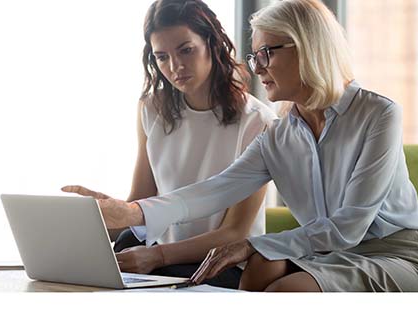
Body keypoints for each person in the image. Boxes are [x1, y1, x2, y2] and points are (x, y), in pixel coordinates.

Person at [81, 0, 418, 292]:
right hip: (325, 253)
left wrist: (254, 244)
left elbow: (349, 226)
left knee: (285, 289)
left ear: (308, 47)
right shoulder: (279, 135)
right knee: (259, 271)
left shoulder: (378, 113)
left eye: (267, 53)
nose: (258, 68)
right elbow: (212, 191)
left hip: (397, 254)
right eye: (255, 56)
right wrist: (133, 214)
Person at [62, 0, 276, 289]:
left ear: (212, 43)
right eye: (161, 57)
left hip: (217, 266)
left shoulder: (257, 120)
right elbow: (141, 203)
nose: (175, 66)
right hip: (156, 259)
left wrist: (156, 256)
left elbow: (234, 232)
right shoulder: (152, 108)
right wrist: (97, 219)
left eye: (186, 50)